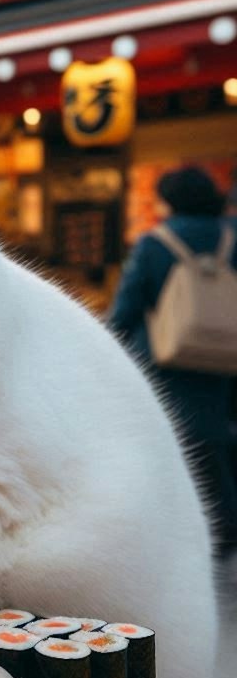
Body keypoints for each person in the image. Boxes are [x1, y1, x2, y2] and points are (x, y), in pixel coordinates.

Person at [109, 166, 237, 548]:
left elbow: (126, 307)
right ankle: (227, 522)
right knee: (217, 438)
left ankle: (182, 525)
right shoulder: (231, 237)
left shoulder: (155, 243)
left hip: (167, 359)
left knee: (172, 440)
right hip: (224, 358)